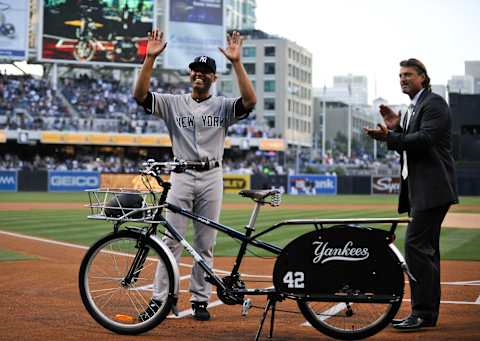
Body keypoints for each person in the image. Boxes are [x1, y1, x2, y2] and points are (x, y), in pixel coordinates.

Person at [133, 30, 256, 321]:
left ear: (214, 78)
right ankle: (160, 299)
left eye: (206, 72)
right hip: (182, 174)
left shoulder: (224, 106)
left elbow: (250, 101)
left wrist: (237, 63)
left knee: (205, 242)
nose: (199, 75)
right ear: (190, 75)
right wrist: (149, 57)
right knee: (169, 241)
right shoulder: (173, 103)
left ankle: (200, 299)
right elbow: (140, 95)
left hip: (212, 175)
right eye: (196, 71)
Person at [364, 58, 458, 330]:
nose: (403, 79)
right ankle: (426, 313)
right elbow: (410, 143)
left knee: (416, 249)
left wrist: (390, 137)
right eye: (400, 75)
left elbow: (425, 141)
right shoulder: (412, 108)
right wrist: (396, 128)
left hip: (433, 189)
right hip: (423, 190)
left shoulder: (434, 103)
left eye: (408, 74)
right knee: (425, 251)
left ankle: (422, 313)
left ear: (423, 78)